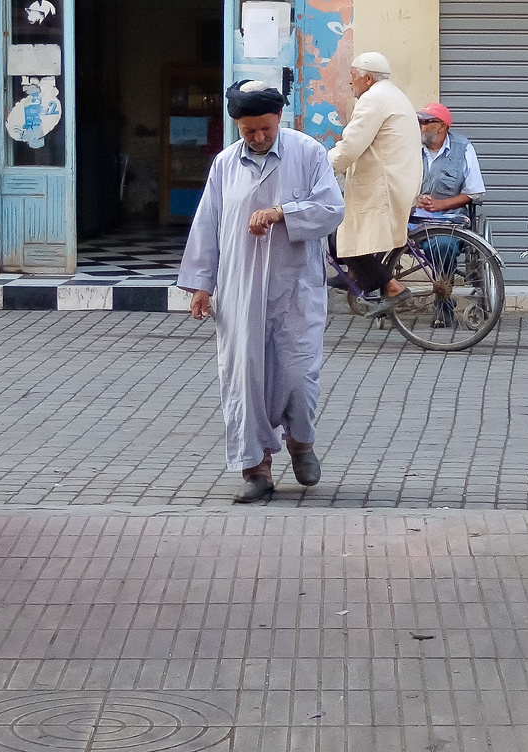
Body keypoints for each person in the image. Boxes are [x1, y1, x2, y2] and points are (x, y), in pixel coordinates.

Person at [178, 81, 345, 503]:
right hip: (240, 288)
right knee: (245, 377)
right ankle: (256, 468)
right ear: (237, 125)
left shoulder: (308, 153)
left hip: (296, 287)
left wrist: (280, 213)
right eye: (248, 130)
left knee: (298, 373)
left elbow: (331, 209)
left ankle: (301, 444)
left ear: (279, 119)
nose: (258, 137)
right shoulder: (224, 164)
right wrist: (201, 283)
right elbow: (207, 225)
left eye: (266, 129)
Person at [326, 52, 423, 319]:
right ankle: (355, 274)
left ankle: (392, 288)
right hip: (396, 181)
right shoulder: (393, 94)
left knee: (347, 234)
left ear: (367, 78)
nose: (350, 84)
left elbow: (351, 144)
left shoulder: (373, 100)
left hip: (383, 186)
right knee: (348, 235)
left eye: (353, 78)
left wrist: (323, 165)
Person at [412, 102, 487, 327]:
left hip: (449, 219)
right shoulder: (409, 148)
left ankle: (443, 302)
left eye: (427, 122)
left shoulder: (463, 148)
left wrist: (441, 204)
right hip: (413, 217)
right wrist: (414, 199)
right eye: (420, 122)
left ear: (442, 127)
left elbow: (474, 192)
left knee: (443, 245)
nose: (421, 127)